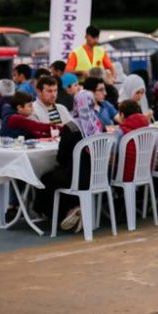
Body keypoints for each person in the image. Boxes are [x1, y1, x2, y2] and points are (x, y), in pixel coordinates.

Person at [33, 90, 102, 232]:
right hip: (99, 176)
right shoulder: (98, 125)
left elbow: (61, 158)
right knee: (59, 176)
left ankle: (63, 214)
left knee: (45, 179)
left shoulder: (71, 127)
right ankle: (77, 207)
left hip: (77, 178)